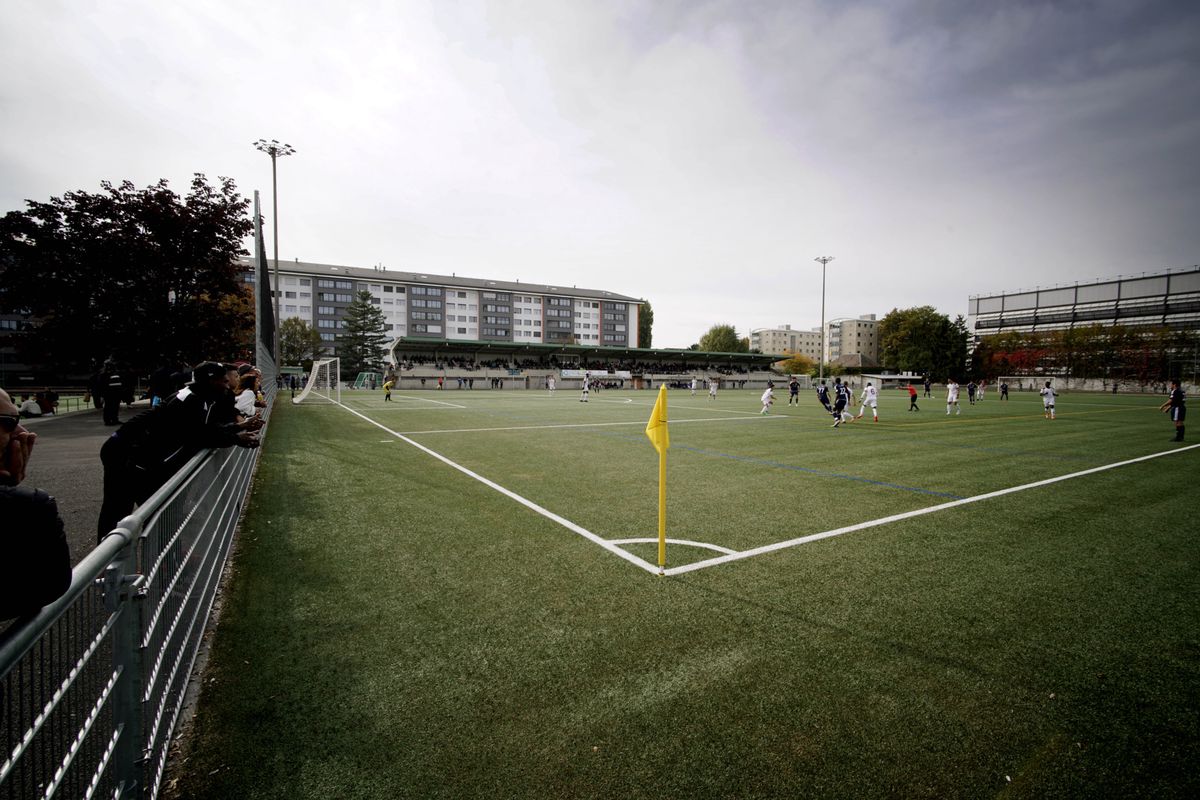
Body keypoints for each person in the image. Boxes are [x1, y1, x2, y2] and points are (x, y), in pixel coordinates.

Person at [96, 362, 262, 540]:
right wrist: (237, 436)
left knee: (159, 513)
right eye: (222, 381)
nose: (227, 384)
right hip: (124, 453)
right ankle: (108, 562)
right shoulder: (191, 400)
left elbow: (205, 430)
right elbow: (198, 435)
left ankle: (163, 561)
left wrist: (238, 429)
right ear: (210, 381)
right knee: (121, 512)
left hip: (138, 455)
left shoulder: (199, 397)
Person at [0, 387, 71, 621]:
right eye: (8, 422)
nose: (22, 431)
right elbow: (48, 587)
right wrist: (10, 491)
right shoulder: (31, 507)